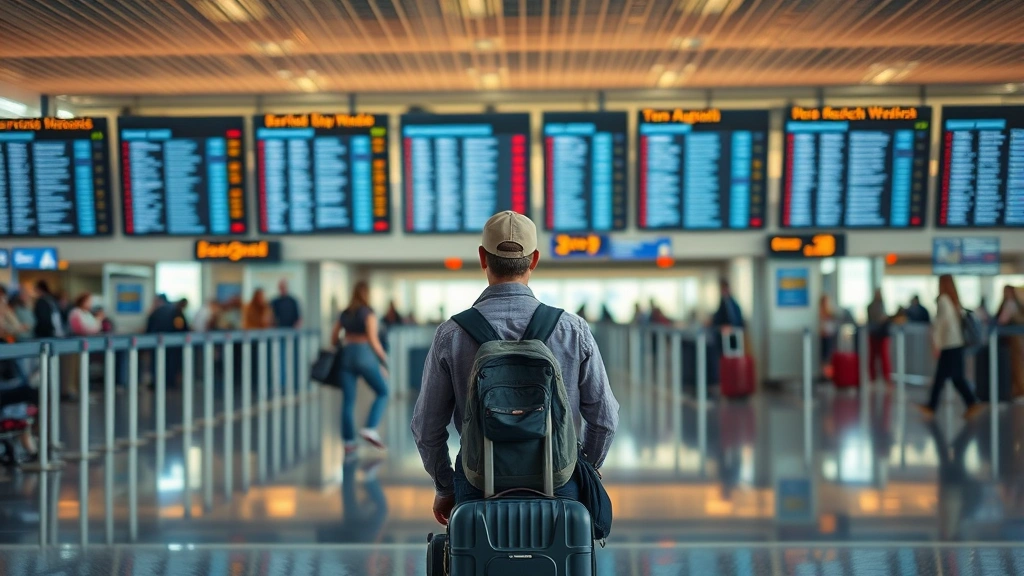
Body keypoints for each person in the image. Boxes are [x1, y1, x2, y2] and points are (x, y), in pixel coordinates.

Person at [411, 211, 619, 525]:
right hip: (559, 485)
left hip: (478, 485)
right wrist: (580, 469)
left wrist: (445, 485)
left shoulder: (451, 334)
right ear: (534, 260)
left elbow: (426, 428)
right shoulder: (572, 329)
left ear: (483, 257)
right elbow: (604, 419)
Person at [330, 281, 389, 455]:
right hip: (364, 354)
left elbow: (334, 337)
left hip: (347, 354)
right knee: (383, 391)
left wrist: (343, 343)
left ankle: (348, 441)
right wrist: (384, 360)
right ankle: (370, 427)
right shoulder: (368, 313)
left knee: (348, 400)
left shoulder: (345, 313)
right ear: (367, 294)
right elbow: (373, 339)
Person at [918, 275, 984, 420]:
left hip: (949, 344)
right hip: (957, 343)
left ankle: (933, 406)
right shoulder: (954, 301)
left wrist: (936, 343)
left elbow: (941, 323)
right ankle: (970, 402)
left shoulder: (943, 300)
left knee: (943, 377)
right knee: (954, 377)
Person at [995, 285, 1024, 398]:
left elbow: (1002, 320)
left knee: (1016, 365)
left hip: (1014, 341)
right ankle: (1017, 389)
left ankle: (1019, 389)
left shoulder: (1010, 304)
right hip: (1013, 340)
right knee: (1015, 365)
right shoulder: (1013, 304)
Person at [867, 289, 893, 387]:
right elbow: (877, 319)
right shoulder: (871, 306)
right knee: (874, 357)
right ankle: (873, 378)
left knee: (884, 357)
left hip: (881, 335)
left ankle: (886, 379)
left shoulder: (883, 305)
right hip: (875, 334)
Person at [818, 295, 839, 379]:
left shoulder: (829, 311)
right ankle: (825, 374)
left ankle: (828, 374)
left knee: (829, 355)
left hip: (830, 335)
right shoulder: (820, 312)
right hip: (824, 336)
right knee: (825, 356)